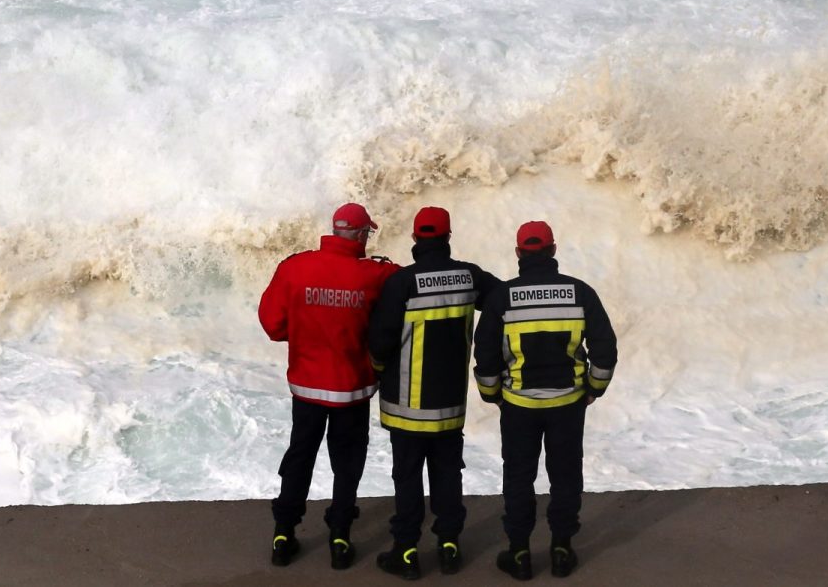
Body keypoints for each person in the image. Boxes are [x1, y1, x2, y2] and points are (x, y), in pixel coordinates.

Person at [472, 220, 617, 581]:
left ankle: (519, 552)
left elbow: (485, 353)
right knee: (565, 476)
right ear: (553, 250)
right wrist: (593, 390)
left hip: (518, 406)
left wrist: (492, 396)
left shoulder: (501, 297)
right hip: (567, 405)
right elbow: (605, 349)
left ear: (519, 253)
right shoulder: (579, 292)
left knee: (519, 478)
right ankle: (562, 550)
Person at [260, 202, 401, 569]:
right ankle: (340, 538)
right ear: (358, 234)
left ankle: (283, 535)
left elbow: (273, 325)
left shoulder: (295, 267)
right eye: (367, 233)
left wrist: (303, 333)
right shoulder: (375, 276)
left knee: (299, 459)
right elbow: (408, 285)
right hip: (351, 391)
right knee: (347, 465)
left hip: (306, 387)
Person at [366, 206, 500, 579]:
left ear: (415, 239)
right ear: (448, 237)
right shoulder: (469, 276)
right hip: (449, 406)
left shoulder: (402, 283)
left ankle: (406, 551)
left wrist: (379, 371)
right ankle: (449, 545)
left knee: (407, 478)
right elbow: (505, 301)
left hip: (406, 407)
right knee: (447, 474)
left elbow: (380, 341)